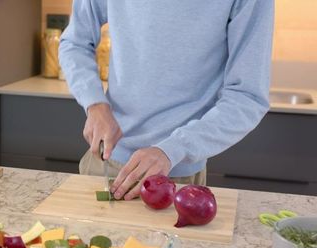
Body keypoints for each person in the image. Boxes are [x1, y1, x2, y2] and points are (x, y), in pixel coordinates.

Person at [59, 0, 274, 201]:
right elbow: (75, 42)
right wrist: (95, 104)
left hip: (178, 178)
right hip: (106, 163)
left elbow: (247, 96)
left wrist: (173, 149)